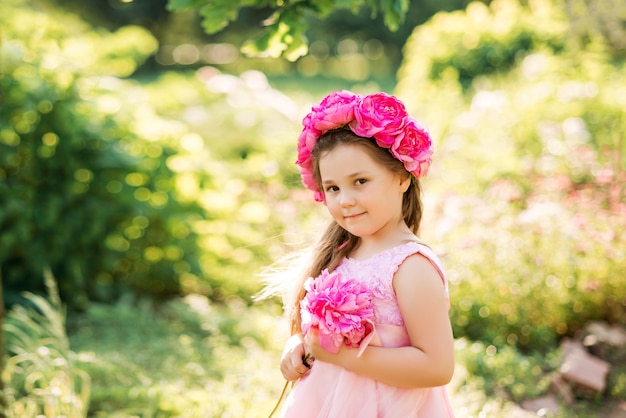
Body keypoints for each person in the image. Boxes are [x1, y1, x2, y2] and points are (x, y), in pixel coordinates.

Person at [274, 90, 455, 417]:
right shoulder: (340, 251)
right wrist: (297, 346)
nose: (345, 200)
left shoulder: (410, 266)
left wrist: (344, 356)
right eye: (333, 188)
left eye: (360, 181)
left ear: (401, 177)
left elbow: (437, 366)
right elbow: (313, 331)